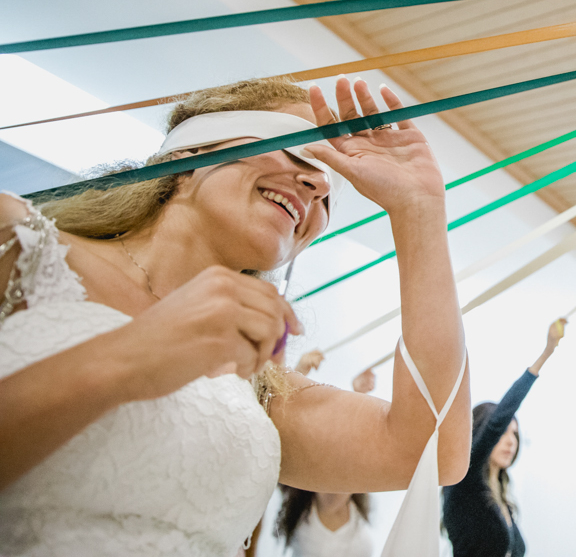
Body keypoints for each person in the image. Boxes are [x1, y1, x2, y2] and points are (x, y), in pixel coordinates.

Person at [0, 76, 470, 555]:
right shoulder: (15, 243)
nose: (319, 183)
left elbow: (434, 451)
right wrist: (127, 358)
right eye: (298, 151)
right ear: (190, 153)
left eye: (330, 189)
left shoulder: (259, 387)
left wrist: (419, 211)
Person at [442, 318, 567, 557]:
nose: (511, 441)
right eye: (503, 433)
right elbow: (497, 420)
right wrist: (546, 354)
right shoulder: (463, 483)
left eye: (515, 434)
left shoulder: (502, 497)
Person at [274, 358, 378, 557]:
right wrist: (298, 373)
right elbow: (286, 428)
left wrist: (359, 395)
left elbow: (348, 448)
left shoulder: (356, 503)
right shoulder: (317, 502)